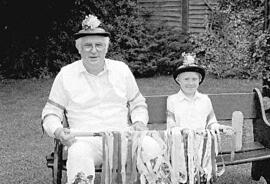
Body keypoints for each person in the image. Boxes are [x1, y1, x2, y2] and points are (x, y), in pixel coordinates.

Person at [42, 14, 161, 184]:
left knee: (151, 147)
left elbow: (138, 104)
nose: (93, 50)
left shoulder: (122, 70)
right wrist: (58, 131)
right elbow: (51, 113)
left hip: (123, 138)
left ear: (106, 48)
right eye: (87, 46)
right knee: (78, 154)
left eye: (99, 45)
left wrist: (139, 122)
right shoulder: (66, 74)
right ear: (79, 49)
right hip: (85, 141)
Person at [166, 52, 233, 133]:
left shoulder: (205, 100)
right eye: (186, 79)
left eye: (194, 79)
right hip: (181, 143)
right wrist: (184, 131)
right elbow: (171, 126)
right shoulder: (172, 100)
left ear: (199, 80)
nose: (190, 83)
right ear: (178, 80)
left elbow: (211, 123)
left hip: (202, 142)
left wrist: (220, 127)